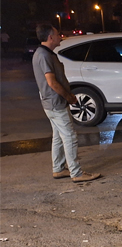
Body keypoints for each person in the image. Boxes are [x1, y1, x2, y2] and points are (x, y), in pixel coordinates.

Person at [32, 24, 101, 183]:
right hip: (55, 103)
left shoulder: (43, 53)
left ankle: (59, 168)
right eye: (57, 34)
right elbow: (52, 82)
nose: (60, 37)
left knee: (58, 136)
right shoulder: (44, 55)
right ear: (50, 37)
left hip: (51, 102)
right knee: (69, 136)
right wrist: (68, 96)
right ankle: (76, 173)